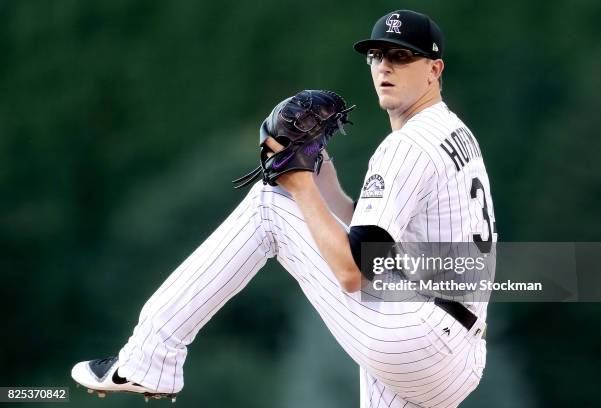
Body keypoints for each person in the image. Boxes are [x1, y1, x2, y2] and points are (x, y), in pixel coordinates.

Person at [71, 9, 496, 407]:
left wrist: (300, 184)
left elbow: (351, 272)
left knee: (269, 205)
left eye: (403, 56)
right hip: (457, 353)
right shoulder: (454, 133)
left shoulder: (405, 147)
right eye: (377, 55)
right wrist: (325, 185)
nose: (385, 66)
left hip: (417, 337)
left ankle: (150, 358)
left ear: (434, 70)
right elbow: (379, 247)